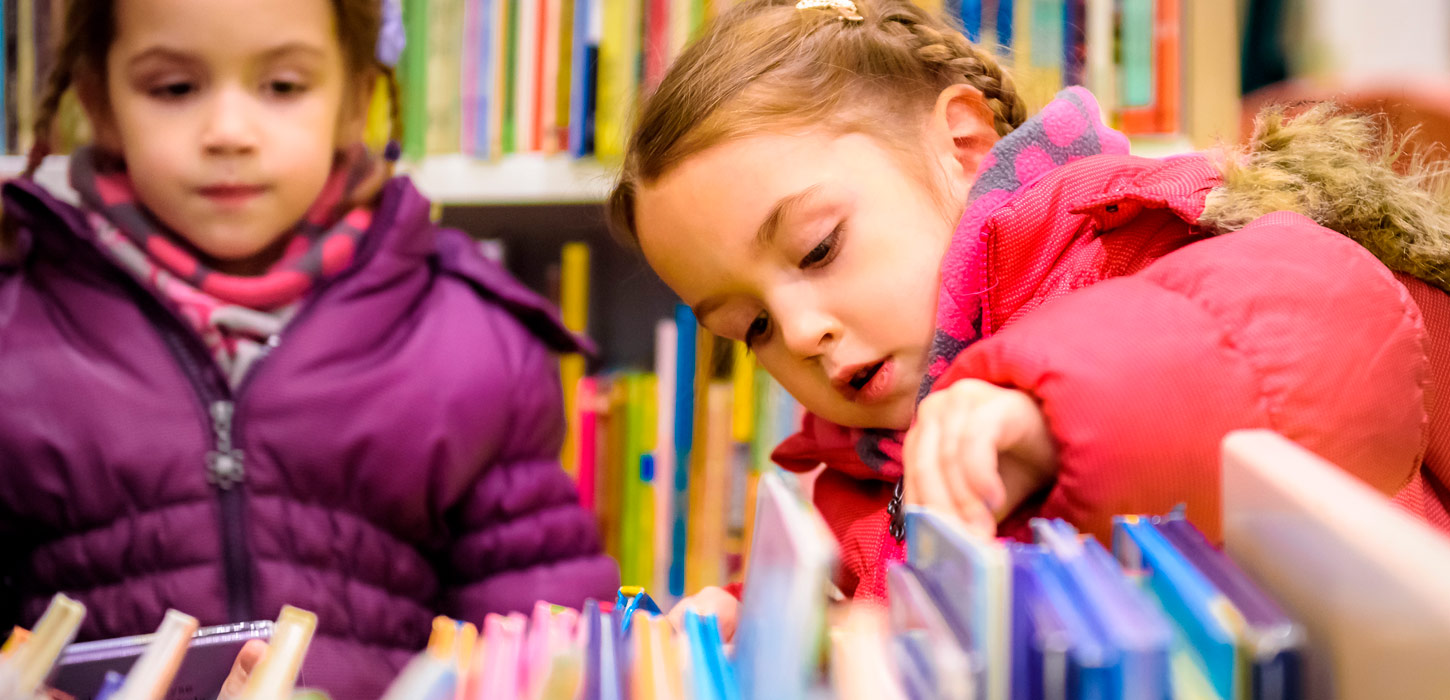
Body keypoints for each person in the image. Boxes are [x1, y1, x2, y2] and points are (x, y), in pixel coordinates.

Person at [615, 0, 1450, 636]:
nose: (798, 333)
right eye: (748, 327)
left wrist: (1050, 406)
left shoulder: (1131, 230)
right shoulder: (865, 476)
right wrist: (795, 632)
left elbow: (1324, 324)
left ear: (966, 146)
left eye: (819, 248)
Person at [0, 1, 618, 697]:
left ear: (354, 100)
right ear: (100, 101)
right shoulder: (14, 333)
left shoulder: (472, 340)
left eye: (284, 87)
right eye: (174, 88)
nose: (228, 132)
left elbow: (539, 640)